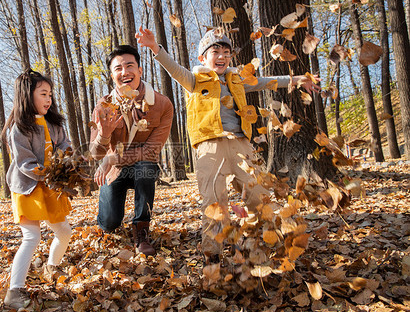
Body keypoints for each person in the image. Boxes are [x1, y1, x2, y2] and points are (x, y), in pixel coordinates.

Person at [136, 26, 320, 261]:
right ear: (203, 57)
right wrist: (155, 48)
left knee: (257, 193)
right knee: (215, 200)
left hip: (241, 144)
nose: (221, 56)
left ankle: (268, 241)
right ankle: (213, 253)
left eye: (226, 52)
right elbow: (174, 70)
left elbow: (266, 82)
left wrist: (296, 79)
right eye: (215, 52)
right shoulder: (195, 80)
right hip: (210, 146)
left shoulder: (237, 80)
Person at [90, 45, 174, 256]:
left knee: (145, 167)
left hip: (141, 167)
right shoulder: (103, 106)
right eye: (118, 68)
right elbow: (96, 154)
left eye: (130, 66)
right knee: (109, 224)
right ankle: (107, 219)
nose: (124, 72)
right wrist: (104, 135)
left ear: (140, 71)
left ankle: (141, 230)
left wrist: (112, 158)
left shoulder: (162, 104)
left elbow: (151, 151)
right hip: (114, 171)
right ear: (112, 75)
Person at [1, 69, 73, 309]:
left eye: (50, 94)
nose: (49, 99)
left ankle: (52, 267)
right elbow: (24, 163)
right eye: (43, 93)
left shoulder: (53, 123)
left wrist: (66, 161)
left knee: (64, 231)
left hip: (51, 186)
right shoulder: (19, 128)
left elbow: (64, 144)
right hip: (27, 187)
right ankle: (14, 292)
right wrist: (46, 172)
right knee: (32, 236)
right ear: (26, 96)